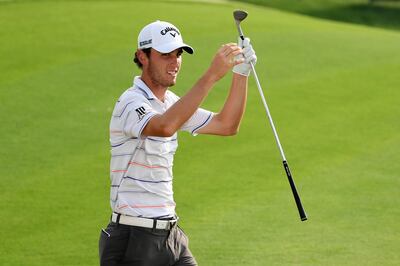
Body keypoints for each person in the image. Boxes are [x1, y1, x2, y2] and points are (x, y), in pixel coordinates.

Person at [99, 20, 257, 266]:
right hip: (133, 239)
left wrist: (240, 73)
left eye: (178, 54)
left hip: (171, 236)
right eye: (165, 55)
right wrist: (212, 75)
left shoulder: (171, 103)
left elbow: (227, 125)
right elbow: (164, 126)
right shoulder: (130, 102)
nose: (174, 62)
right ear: (143, 56)